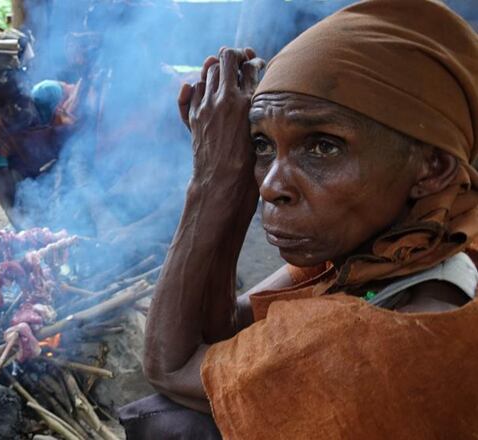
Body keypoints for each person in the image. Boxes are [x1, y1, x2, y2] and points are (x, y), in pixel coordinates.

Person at [124, 0, 478, 438]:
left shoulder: (395, 335)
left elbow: (171, 365)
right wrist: (234, 183)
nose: (271, 186)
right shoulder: (399, 249)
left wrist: (211, 184)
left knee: (171, 423)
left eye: (323, 146)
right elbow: (226, 332)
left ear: (432, 168)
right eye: (262, 145)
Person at [0, 26, 79, 227]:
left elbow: (86, 132)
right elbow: (8, 199)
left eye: (17, 97)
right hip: (32, 193)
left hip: (72, 175)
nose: (13, 108)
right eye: (0, 103)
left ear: (28, 84)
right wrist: (27, 231)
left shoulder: (52, 96)